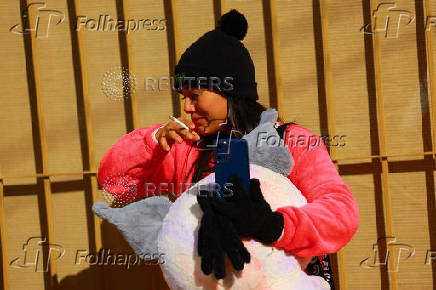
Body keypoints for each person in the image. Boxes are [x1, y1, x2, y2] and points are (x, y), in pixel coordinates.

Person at [97, 9, 358, 284]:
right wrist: (150, 144)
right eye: (183, 97)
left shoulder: (288, 141)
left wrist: (275, 226)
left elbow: (341, 215)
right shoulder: (186, 149)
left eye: (195, 95)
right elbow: (114, 186)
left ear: (230, 91)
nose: (186, 107)